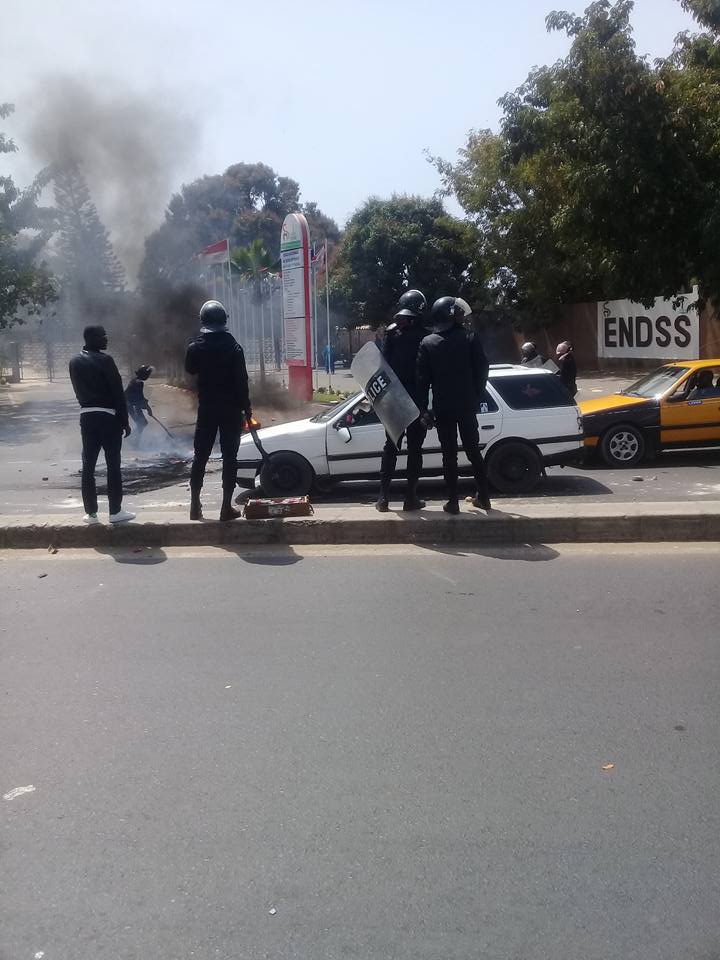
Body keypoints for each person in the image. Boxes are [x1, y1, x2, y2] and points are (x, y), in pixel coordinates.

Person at [417, 297, 491, 514]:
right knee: (473, 451)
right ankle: (484, 497)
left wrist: (423, 408)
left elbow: (422, 381)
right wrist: (475, 395)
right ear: (450, 315)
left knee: (449, 455)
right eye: (457, 313)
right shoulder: (469, 338)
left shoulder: (428, 343)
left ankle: (453, 501)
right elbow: (482, 370)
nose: (461, 316)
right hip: (467, 405)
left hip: (443, 407)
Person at [185, 300, 251, 522]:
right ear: (224, 320)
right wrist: (247, 409)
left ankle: (195, 506)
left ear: (203, 320)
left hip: (207, 409)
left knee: (200, 456)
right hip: (231, 410)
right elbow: (242, 382)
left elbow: (190, 368)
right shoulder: (234, 347)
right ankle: (225, 508)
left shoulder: (196, 347)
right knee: (230, 458)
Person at [68, 325, 135, 524]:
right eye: (103, 336)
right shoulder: (105, 360)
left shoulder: (74, 361)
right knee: (113, 464)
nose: (106, 339)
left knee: (88, 465)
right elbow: (117, 393)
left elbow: (78, 390)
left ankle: (91, 513)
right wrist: (125, 421)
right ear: (92, 338)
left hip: (86, 416)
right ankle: (115, 511)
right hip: (108, 417)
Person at [376, 289, 428, 513]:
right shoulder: (425, 336)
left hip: (393, 399)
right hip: (416, 399)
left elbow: (382, 365)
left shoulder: (391, 334)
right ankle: (410, 499)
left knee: (391, 447)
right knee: (415, 450)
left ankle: (383, 498)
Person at [124, 364, 154, 443]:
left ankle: (134, 440)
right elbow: (139, 398)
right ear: (144, 375)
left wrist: (147, 407)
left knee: (142, 423)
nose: (148, 376)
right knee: (142, 423)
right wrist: (147, 408)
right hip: (131, 405)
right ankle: (132, 440)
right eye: (148, 374)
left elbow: (140, 397)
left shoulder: (136, 381)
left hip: (132, 404)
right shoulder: (138, 383)